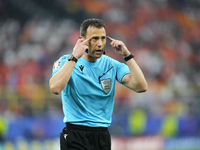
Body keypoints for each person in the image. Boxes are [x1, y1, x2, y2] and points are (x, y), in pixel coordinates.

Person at [49, 18, 148, 150]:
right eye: (95, 39)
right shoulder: (66, 62)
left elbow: (141, 86)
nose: (100, 43)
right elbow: (55, 88)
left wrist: (127, 55)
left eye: (103, 38)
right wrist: (74, 57)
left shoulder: (112, 65)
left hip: (102, 136)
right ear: (82, 40)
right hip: (75, 134)